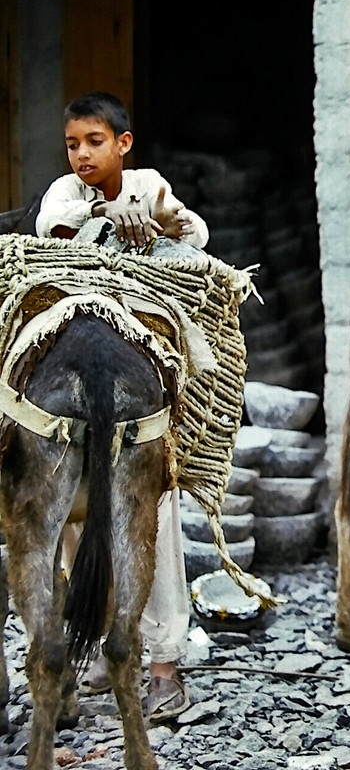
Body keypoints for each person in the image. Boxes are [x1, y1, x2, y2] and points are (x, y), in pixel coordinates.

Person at [35, 91, 204, 722]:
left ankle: (163, 665)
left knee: (148, 512)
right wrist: (101, 223)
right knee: (78, 518)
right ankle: (109, 645)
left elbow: (195, 234)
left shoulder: (150, 185)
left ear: (123, 144)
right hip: (74, 368)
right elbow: (50, 240)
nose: (82, 154)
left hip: (135, 362)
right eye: (73, 144)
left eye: (95, 142)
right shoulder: (61, 194)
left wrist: (159, 225)